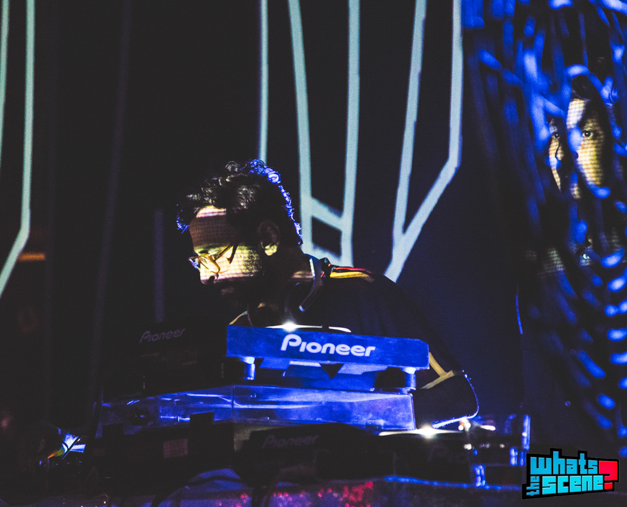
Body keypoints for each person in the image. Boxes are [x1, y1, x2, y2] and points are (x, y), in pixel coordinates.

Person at [177, 159, 477, 427]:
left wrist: (350, 421)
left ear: (268, 237)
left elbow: (456, 397)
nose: (206, 276)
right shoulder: (240, 331)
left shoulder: (363, 293)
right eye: (199, 261)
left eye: (216, 256)